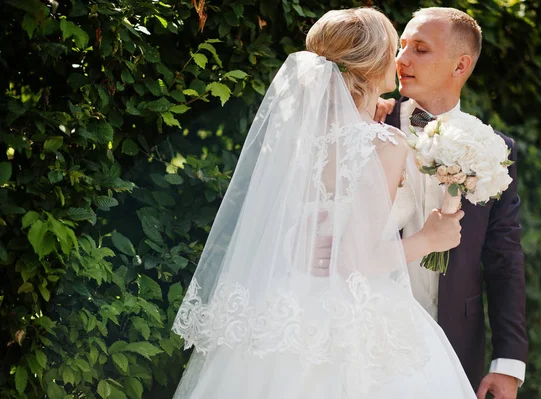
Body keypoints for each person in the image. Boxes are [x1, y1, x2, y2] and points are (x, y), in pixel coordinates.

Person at [171, 8, 475, 399]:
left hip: (285, 304)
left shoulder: (298, 134)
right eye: (392, 48)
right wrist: (431, 239)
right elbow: (356, 261)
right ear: (372, 63)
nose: (399, 61)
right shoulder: (381, 143)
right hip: (351, 317)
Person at [375, 7, 528, 399]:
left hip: (455, 346)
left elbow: (504, 257)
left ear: (460, 65)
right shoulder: (370, 127)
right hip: (369, 334)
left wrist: (508, 363)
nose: (401, 59)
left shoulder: (495, 150)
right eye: (402, 46)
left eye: (420, 49)